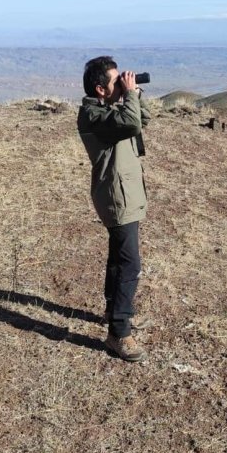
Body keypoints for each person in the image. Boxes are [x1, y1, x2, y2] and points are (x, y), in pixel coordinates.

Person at [77, 56, 152, 362]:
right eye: (115, 80)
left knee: (118, 258)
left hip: (123, 193)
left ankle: (111, 309)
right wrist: (130, 96)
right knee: (129, 264)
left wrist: (134, 95)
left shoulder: (107, 109)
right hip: (116, 196)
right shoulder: (95, 115)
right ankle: (119, 332)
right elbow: (131, 122)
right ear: (100, 89)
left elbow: (141, 120)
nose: (122, 83)